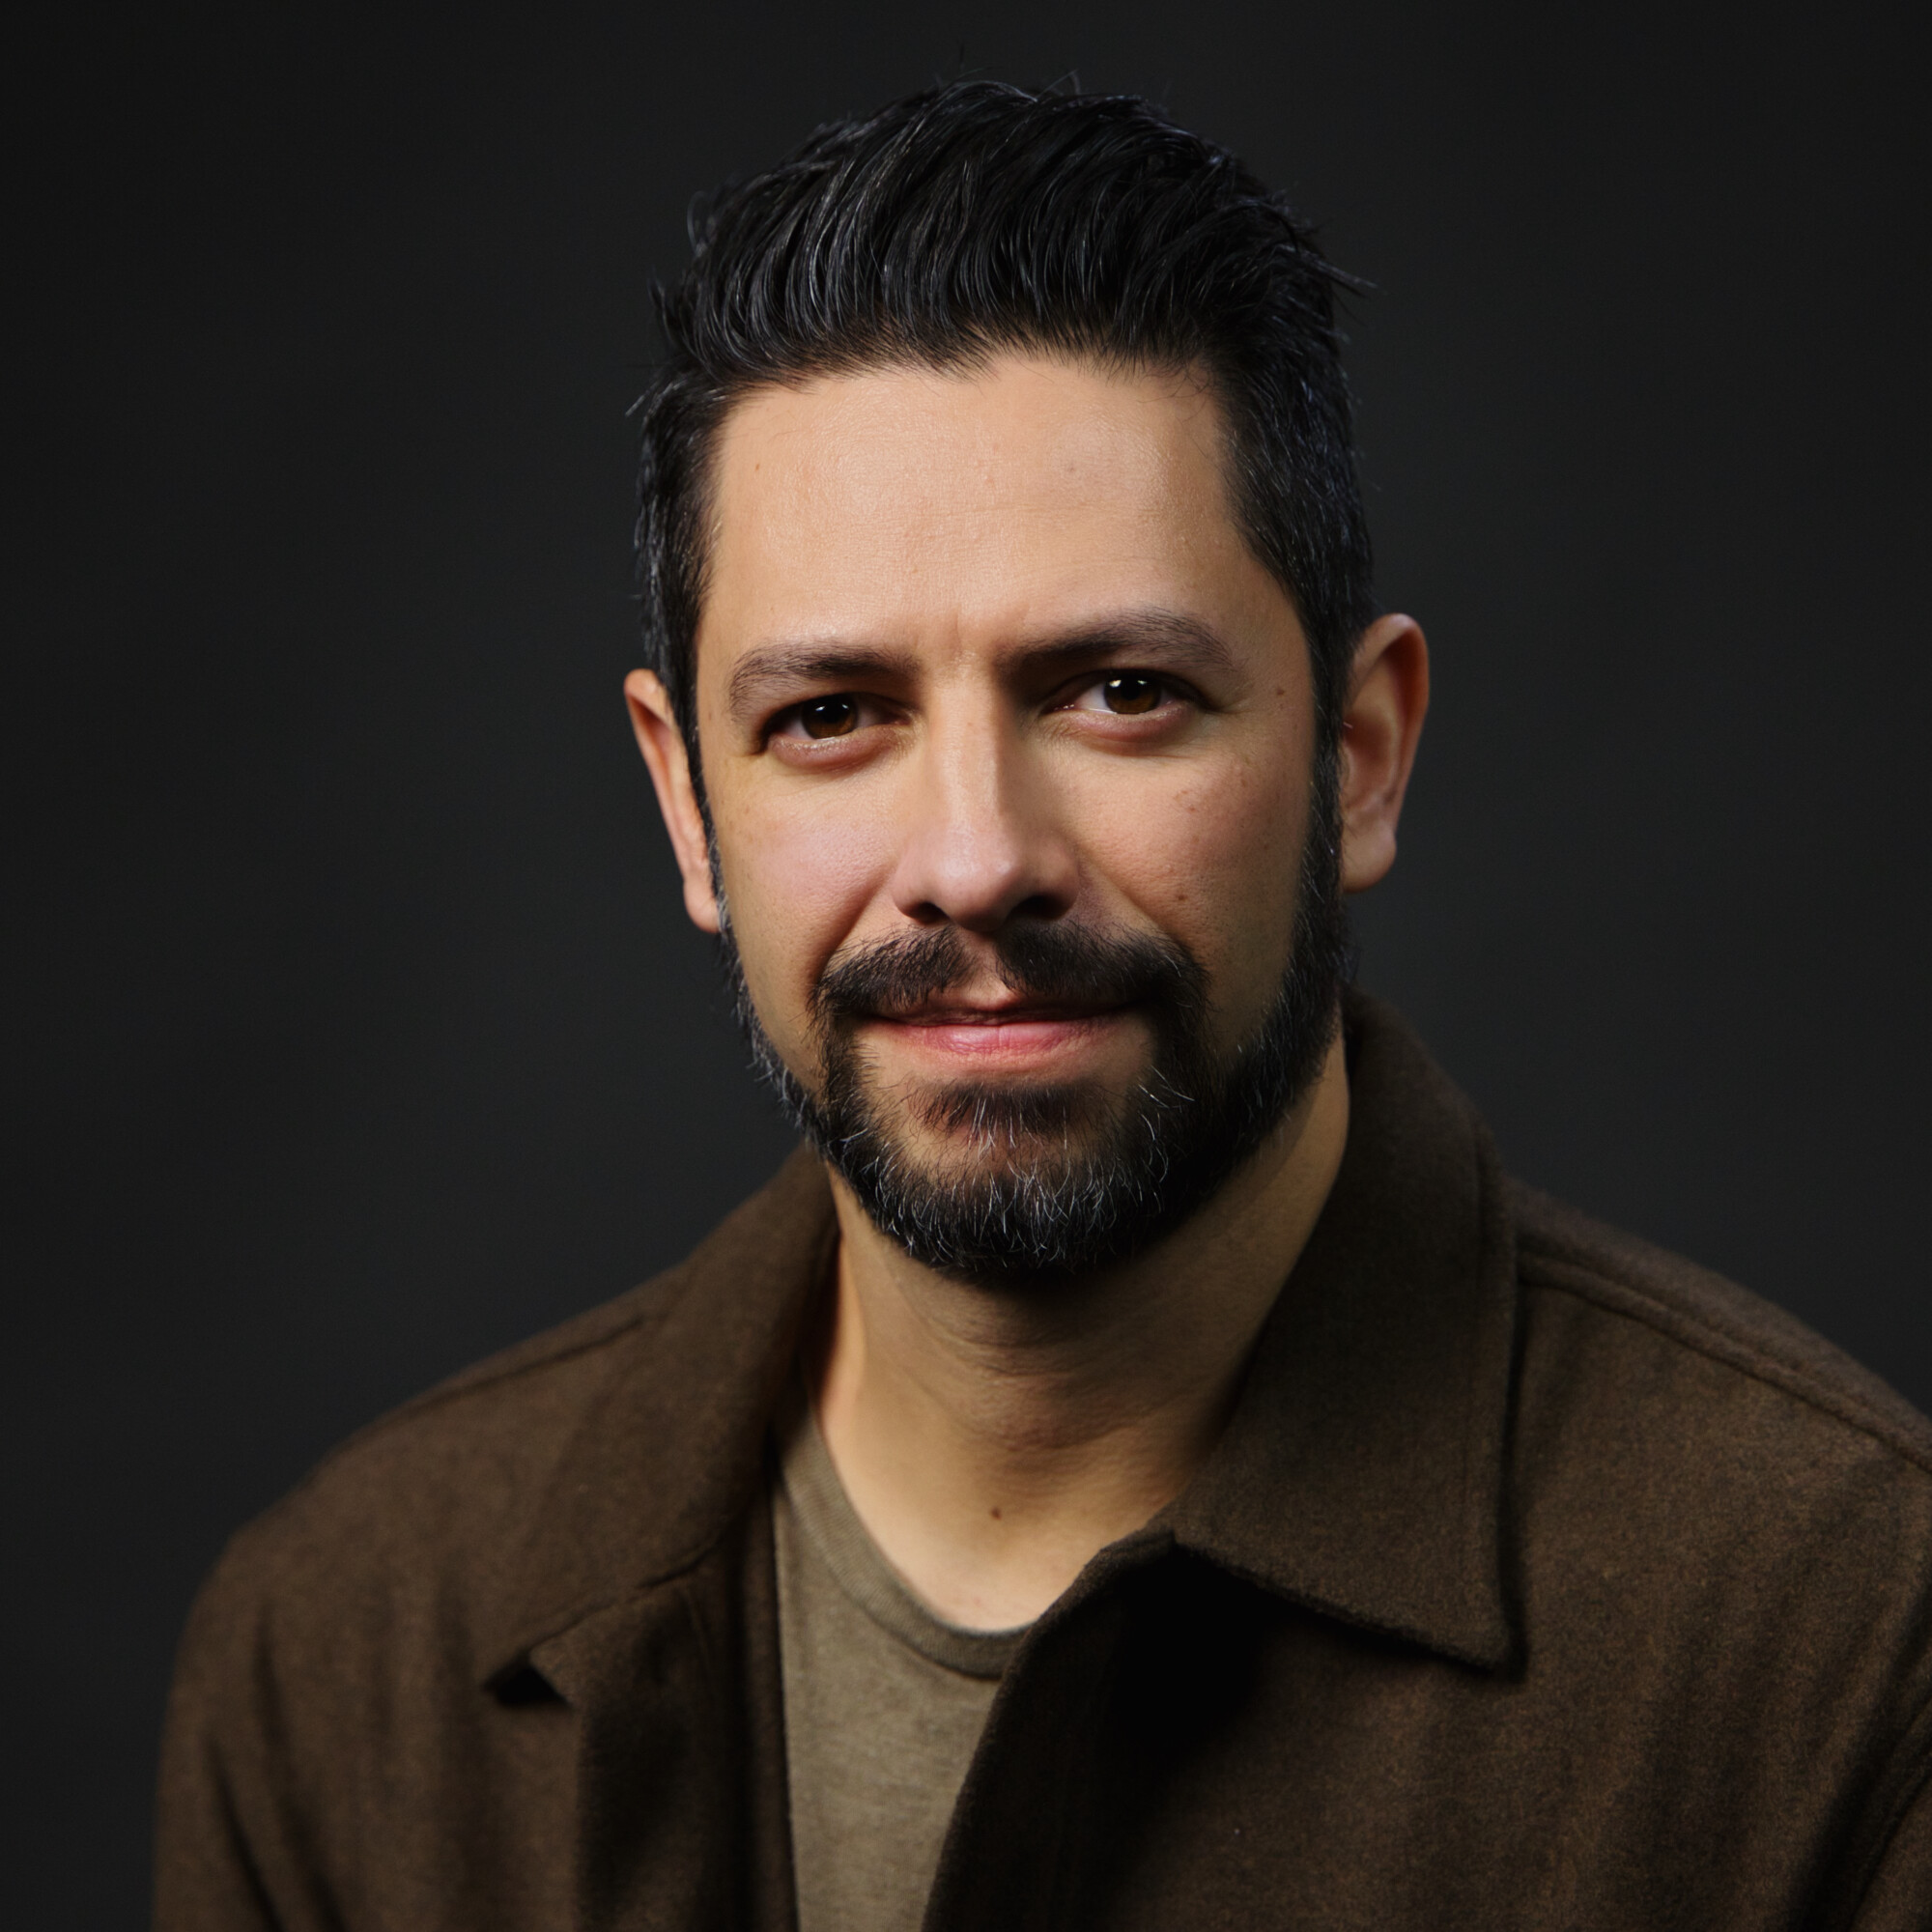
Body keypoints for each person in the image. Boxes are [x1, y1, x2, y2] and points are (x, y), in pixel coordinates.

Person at [155, 81, 1932, 1931]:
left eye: (1120, 692)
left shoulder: (1850, 1648)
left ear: (1360, 756)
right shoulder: (343, 1664)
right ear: (688, 807)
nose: (977, 859)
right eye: (832, 716)